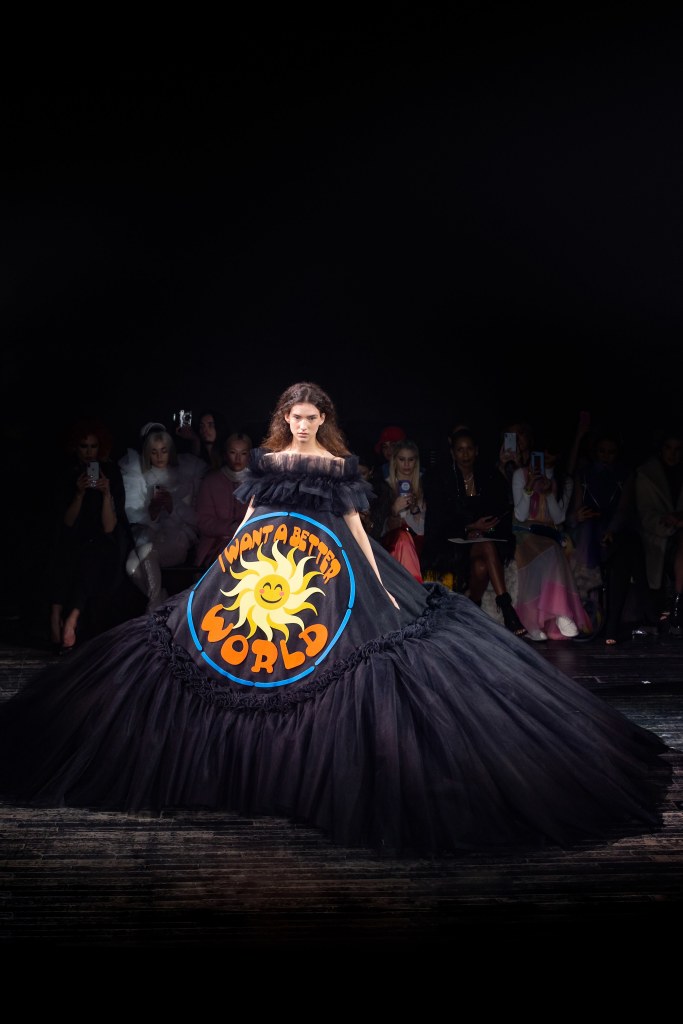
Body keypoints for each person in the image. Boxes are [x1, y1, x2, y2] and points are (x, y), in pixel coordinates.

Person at [0, 382, 671, 858]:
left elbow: (352, 524)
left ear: (322, 419)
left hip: (327, 570)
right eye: (293, 416)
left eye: (309, 416)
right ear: (283, 419)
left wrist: (380, 581)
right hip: (269, 565)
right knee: (219, 652)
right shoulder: (268, 461)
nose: (301, 424)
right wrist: (226, 561)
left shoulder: (338, 464)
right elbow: (252, 516)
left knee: (344, 652)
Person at [43, 418, 131, 653]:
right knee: (64, 553)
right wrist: (79, 494)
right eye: (84, 446)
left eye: (93, 446)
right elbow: (67, 522)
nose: (89, 452)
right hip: (71, 535)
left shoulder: (110, 473)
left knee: (92, 556)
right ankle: (55, 614)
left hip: (102, 538)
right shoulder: (67, 474)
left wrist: (106, 494)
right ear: (76, 447)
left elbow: (109, 527)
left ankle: (71, 619)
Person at [511, 426, 593, 642]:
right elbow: (520, 514)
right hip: (524, 531)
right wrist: (530, 487)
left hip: (550, 531)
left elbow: (558, 518)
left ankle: (557, 613)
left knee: (554, 550)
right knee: (548, 553)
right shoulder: (521, 474)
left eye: (553, 452)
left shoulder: (563, 481)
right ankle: (537, 619)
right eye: (544, 451)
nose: (548, 456)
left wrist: (548, 494)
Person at [119, 423, 207, 610]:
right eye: (154, 452)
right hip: (149, 539)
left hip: (178, 539)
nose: (159, 456)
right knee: (131, 565)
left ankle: (155, 607)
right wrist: (153, 511)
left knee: (143, 554)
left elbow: (196, 518)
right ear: (147, 453)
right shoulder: (140, 476)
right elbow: (137, 517)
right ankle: (159, 604)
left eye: (164, 451)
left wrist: (172, 507)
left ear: (170, 451)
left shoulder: (185, 473)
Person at [635, 425, 683, 634]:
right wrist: (671, 523)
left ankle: (677, 607)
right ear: (661, 449)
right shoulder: (647, 475)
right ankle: (674, 610)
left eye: (678, 449)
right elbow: (645, 514)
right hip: (656, 536)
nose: (673, 454)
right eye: (668, 448)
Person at [369, 440, 425, 583]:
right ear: (395, 461)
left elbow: (422, 530)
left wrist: (414, 509)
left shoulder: (424, 486)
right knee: (402, 538)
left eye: (410, 460)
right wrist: (393, 510)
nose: (406, 465)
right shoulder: (384, 487)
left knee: (405, 538)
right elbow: (377, 530)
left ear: (416, 462)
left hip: (417, 542)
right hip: (392, 544)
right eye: (402, 459)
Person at [195, 431, 252, 568]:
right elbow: (203, 521)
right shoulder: (211, 481)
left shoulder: (257, 483)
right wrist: (230, 528)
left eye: (243, 453)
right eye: (233, 452)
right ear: (226, 454)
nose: (238, 458)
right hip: (215, 546)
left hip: (249, 543)